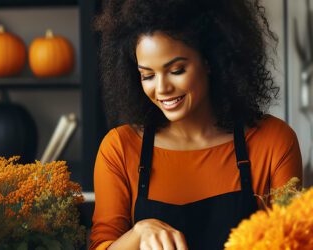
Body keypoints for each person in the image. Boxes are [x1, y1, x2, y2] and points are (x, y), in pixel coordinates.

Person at [90, 0, 303, 249]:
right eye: (147, 75)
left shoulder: (273, 141)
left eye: (177, 70)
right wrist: (138, 233)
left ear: (211, 60)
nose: (161, 88)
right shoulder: (119, 148)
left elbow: (294, 239)